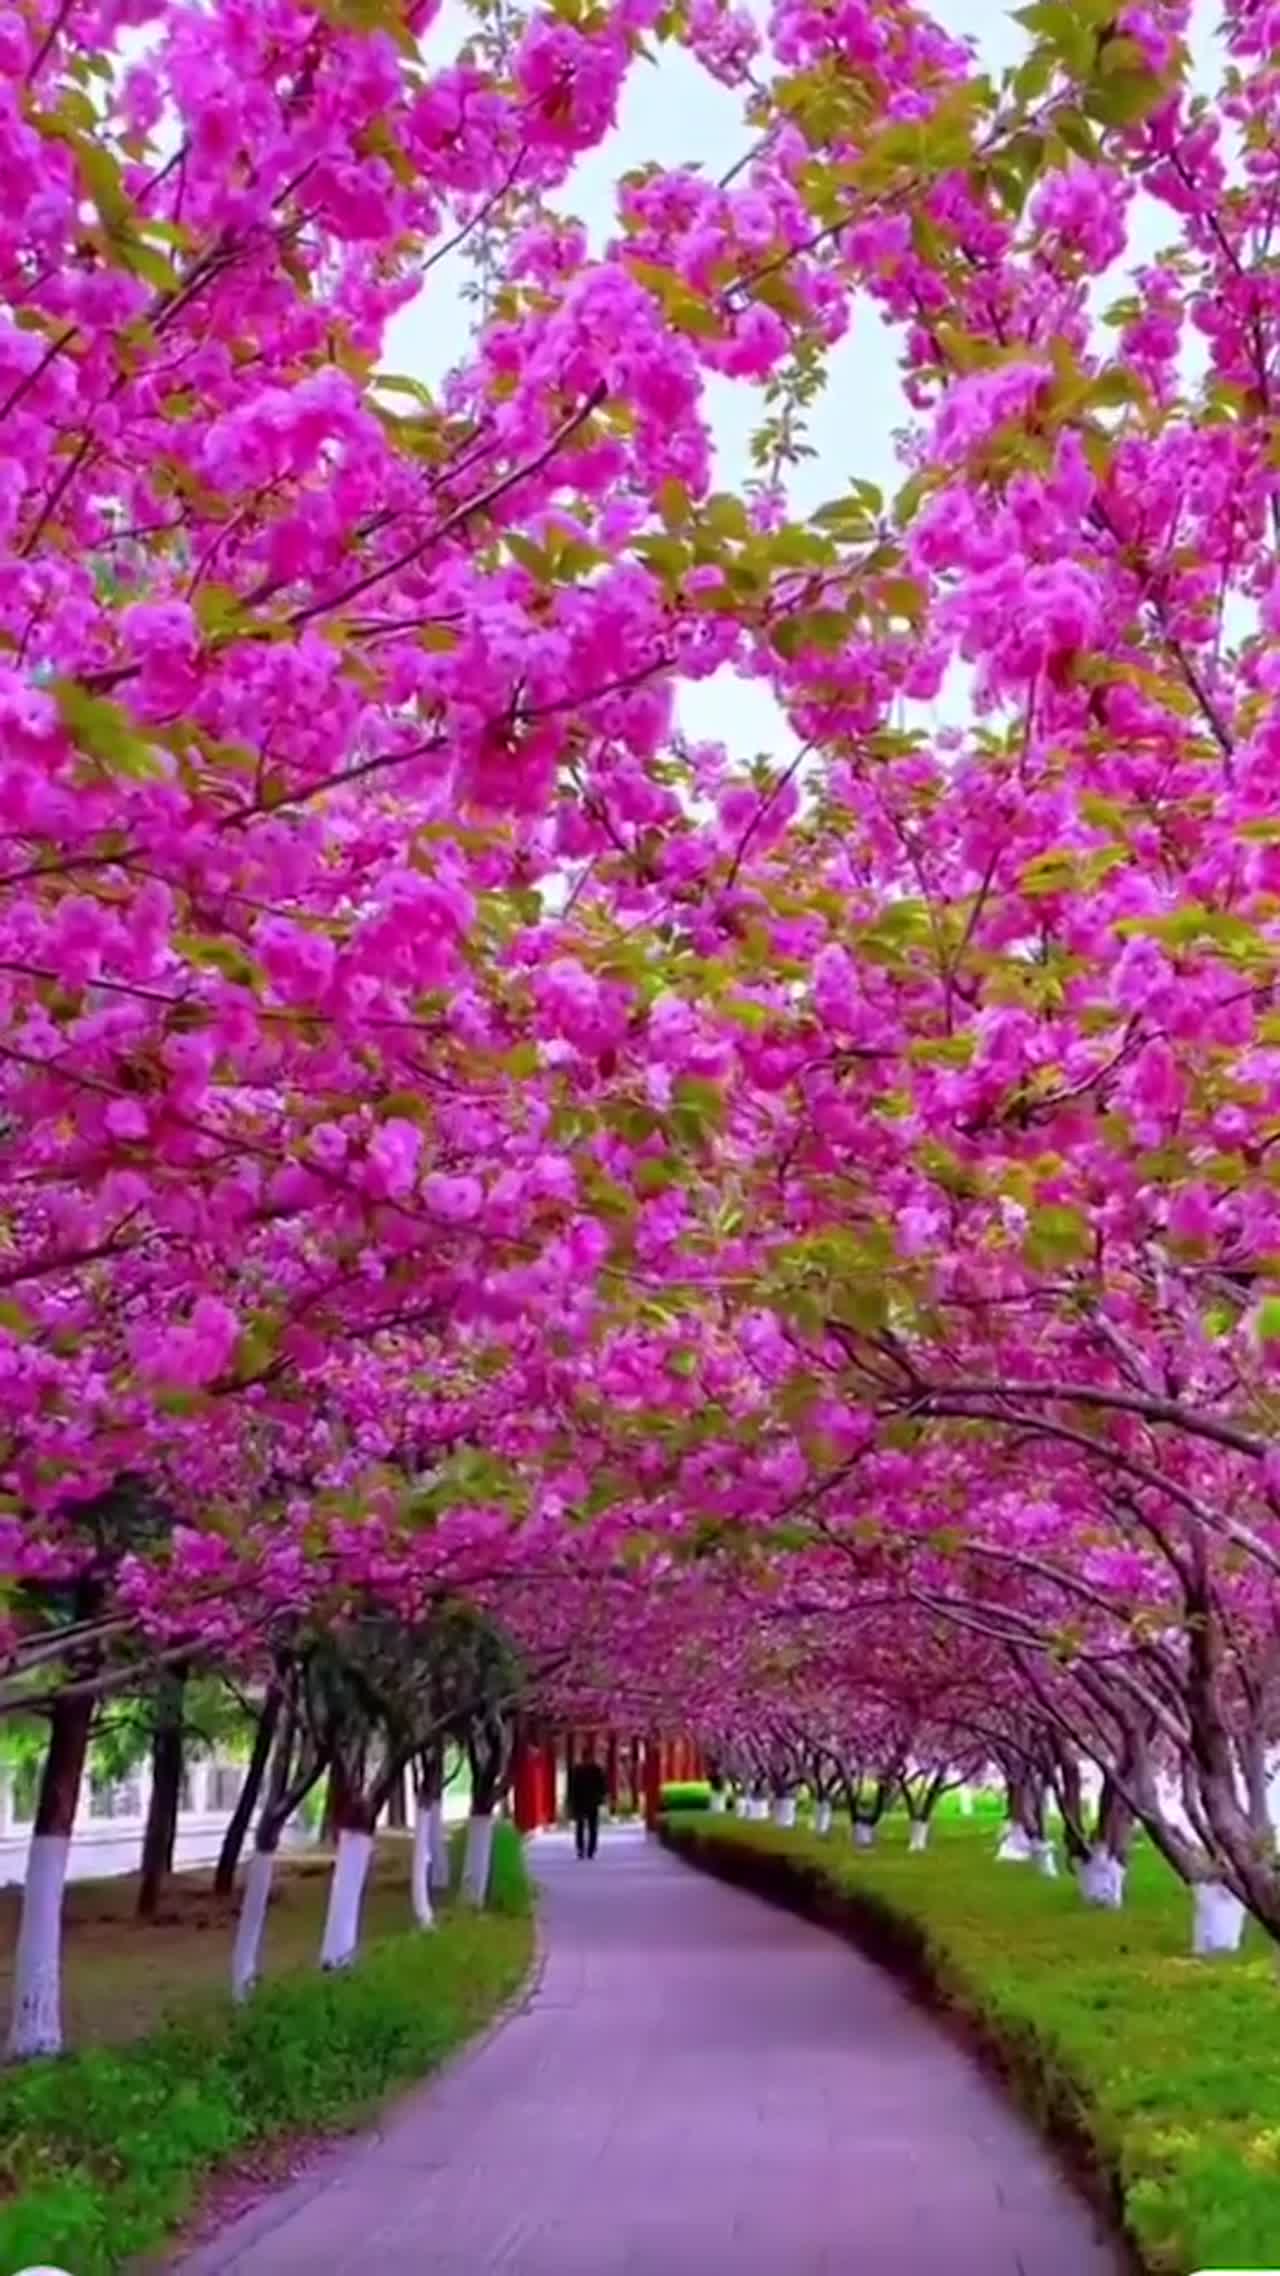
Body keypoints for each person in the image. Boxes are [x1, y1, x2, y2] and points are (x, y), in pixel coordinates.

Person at [567, 1747, 608, 1859]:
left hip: (580, 1802)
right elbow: (603, 1786)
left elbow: (571, 1788)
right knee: (592, 1827)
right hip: (592, 1802)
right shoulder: (596, 1769)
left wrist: (570, 1801)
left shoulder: (577, 1770)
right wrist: (602, 1798)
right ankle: (590, 1850)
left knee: (581, 1827)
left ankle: (581, 1850)